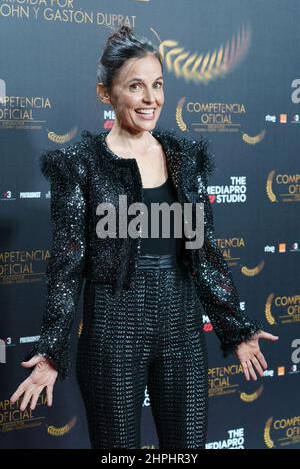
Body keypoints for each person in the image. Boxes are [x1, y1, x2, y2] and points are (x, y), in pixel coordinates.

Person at [10, 25, 279, 449]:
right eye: (136, 86)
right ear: (106, 93)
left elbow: (204, 254)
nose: (152, 99)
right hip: (113, 330)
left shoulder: (185, 158)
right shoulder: (81, 165)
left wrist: (236, 327)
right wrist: (50, 351)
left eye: (157, 85)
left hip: (183, 330)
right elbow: (67, 265)